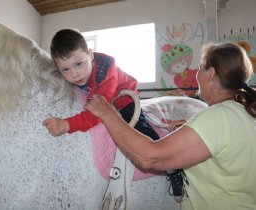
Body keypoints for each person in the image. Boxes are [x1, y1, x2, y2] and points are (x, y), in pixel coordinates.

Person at [85, 42, 256, 209]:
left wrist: (108, 114)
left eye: (199, 67)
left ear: (211, 73)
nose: (196, 73)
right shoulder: (243, 112)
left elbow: (150, 157)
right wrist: (194, 131)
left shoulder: (219, 117)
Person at [42, 28, 185, 201]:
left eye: (78, 64)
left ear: (90, 54)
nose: (73, 74)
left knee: (140, 129)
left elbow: (98, 113)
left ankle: (171, 167)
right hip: (97, 93)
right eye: (65, 69)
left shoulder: (105, 73)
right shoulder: (78, 75)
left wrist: (67, 124)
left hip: (123, 98)